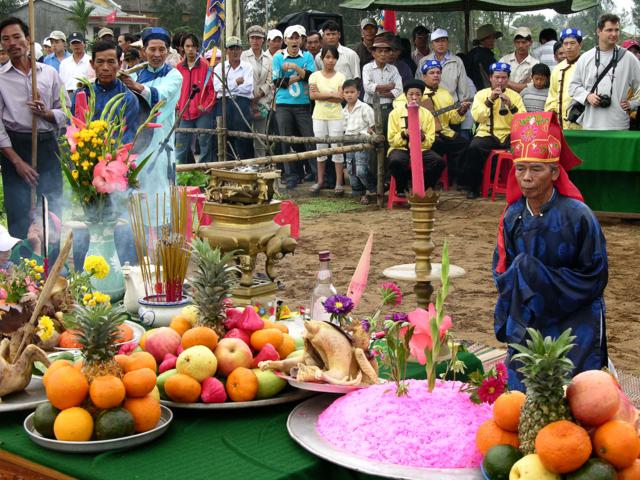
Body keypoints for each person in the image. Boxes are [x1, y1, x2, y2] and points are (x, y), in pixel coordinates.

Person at [493, 111, 608, 391]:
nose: (526, 178)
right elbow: (501, 269)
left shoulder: (579, 215)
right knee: (519, 399)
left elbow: (594, 276)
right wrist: (522, 276)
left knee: (577, 397)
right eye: (521, 169)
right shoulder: (513, 217)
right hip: (529, 313)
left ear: (555, 172)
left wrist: (535, 275)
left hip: (574, 315)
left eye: (536, 169)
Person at [0, 17, 68, 239]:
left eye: (17, 36)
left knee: (51, 207)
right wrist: (17, 162)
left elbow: (66, 110)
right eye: (5, 39)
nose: (12, 43)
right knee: (19, 211)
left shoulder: (49, 73)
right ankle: (24, 270)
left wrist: (46, 114)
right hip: (15, 148)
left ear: (28, 39)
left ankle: (52, 265)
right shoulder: (0, 79)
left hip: (48, 146)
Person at [119, 26, 183, 223]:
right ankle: (134, 240)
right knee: (135, 193)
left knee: (159, 196)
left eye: (161, 49)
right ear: (143, 51)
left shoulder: (174, 76)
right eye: (152, 49)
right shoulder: (134, 75)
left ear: (168, 51)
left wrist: (137, 87)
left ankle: (161, 240)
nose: (157, 54)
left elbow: (161, 99)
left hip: (160, 145)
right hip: (135, 146)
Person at [463, 62, 525, 199]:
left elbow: (522, 121)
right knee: (474, 148)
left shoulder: (515, 96)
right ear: (490, 78)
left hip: (510, 135)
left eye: (503, 78)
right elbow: (478, 117)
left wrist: (510, 105)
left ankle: (520, 188)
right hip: (487, 133)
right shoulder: (481, 94)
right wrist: (490, 100)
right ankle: (473, 187)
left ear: (508, 79)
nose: (500, 81)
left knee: (525, 151)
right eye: (497, 77)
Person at [569, 13, 640, 130]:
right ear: (599, 31)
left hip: (619, 125)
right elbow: (573, 87)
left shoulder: (629, 58)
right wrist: (587, 96)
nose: (614, 34)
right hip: (591, 124)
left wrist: (633, 104)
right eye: (609, 30)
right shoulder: (585, 58)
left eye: (617, 30)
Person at [272, 25, 316, 189]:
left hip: (303, 104)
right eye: (291, 37)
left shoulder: (307, 56)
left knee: (309, 139)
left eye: (297, 37)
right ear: (285, 40)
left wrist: (294, 68)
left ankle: (316, 173)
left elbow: (311, 77)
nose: (294, 40)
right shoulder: (278, 58)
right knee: (285, 140)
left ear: (301, 40)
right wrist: (300, 76)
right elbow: (278, 83)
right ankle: (290, 175)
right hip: (283, 104)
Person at [72, 40, 140, 144]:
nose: (105, 68)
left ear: (119, 64)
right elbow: (73, 128)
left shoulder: (128, 98)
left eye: (111, 62)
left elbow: (129, 139)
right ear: (92, 64)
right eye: (100, 62)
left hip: (115, 157)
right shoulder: (82, 94)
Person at [387, 79, 445, 194]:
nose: (414, 97)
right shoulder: (395, 113)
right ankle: (401, 188)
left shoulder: (427, 115)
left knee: (439, 162)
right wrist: (404, 134)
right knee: (395, 161)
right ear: (405, 95)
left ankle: (425, 188)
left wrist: (422, 136)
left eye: (418, 94)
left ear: (422, 96)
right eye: (411, 94)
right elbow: (391, 139)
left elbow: (430, 141)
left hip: (421, 149)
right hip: (401, 148)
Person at [308, 45, 346, 195]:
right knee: (321, 149)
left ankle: (338, 182)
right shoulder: (314, 76)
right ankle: (320, 180)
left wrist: (322, 94)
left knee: (337, 148)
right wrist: (331, 94)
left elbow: (340, 98)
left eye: (333, 57)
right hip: (319, 115)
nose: (330, 61)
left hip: (336, 116)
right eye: (328, 57)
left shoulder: (341, 77)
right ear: (322, 58)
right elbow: (313, 96)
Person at [175, 33, 215, 164]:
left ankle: (204, 178)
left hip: (202, 113)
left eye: (193, 46)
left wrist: (206, 106)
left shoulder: (205, 66)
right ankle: (179, 178)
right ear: (182, 48)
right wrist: (177, 104)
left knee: (205, 146)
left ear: (197, 48)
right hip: (184, 113)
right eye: (187, 46)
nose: (190, 49)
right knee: (180, 146)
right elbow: (175, 89)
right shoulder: (179, 67)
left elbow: (212, 90)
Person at [213, 36, 254, 160]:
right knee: (224, 136)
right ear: (226, 51)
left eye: (237, 48)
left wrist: (228, 87)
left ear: (241, 50)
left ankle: (247, 165)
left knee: (244, 136)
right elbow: (218, 88)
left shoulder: (247, 67)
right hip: (224, 103)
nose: (234, 52)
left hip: (242, 103)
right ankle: (227, 166)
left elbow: (248, 88)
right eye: (231, 49)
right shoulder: (219, 68)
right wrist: (236, 83)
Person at [242, 25, 275, 157]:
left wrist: (259, 95)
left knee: (260, 136)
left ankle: (260, 163)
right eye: (252, 38)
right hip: (245, 101)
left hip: (262, 101)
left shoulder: (269, 59)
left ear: (263, 40)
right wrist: (251, 97)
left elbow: (270, 80)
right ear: (249, 40)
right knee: (244, 135)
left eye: (258, 38)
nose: (255, 41)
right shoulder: (243, 56)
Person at [342, 78, 376, 204]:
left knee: (361, 169)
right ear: (343, 94)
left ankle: (373, 189)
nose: (349, 95)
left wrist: (366, 134)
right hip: (348, 142)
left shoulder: (364, 108)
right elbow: (343, 128)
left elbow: (373, 125)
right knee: (351, 169)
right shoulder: (343, 111)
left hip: (362, 142)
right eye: (346, 92)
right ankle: (360, 194)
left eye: (352, 92)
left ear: (358, 93)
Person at [362, 35, 402, 140]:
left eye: (386, 51)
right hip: (370, 108)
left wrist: (378, 91)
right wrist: (388, 87)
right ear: (373, 53)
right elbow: (368, 88)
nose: (383, 54)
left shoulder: (393, 69)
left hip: (387, 109)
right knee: (371, 139)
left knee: (386, 138)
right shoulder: (367, 68)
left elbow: (399, 90)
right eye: (380, 51)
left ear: (390, 53)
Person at [418, 29, 471, 104]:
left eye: (443, 40)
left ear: (447, 42)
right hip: (429, 107)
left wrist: (463, 106)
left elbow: (463, 87)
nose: (440, 44)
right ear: (432, 44)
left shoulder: (457, 61)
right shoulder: (423, 62)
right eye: (437, 41)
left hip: (451, 106)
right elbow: (418, 85)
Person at [545, 28, 583, 129]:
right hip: (559, 124)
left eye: (572, 43)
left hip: (581, 123)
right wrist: (551, 109)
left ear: (580, 45)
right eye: (565, 44)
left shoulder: (586, 66)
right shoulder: (557, 69)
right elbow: (552, 94)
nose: (569, 47)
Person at [499, 27, 539, 93]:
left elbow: (532, 88)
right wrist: (523, 84)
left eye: (524, 42)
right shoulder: (504, 60)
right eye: (518, 42)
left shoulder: (535, 64)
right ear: (514, 43)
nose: (520, 45)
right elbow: (498, 83)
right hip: (504, 99)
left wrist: (507, 81)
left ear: (530, 43)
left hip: (525, 101)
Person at [465, 24, 501, 91]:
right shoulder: (485, 56)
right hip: (486, 92)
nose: (493, 40)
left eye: (493, 38)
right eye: (489, 38)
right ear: (482, 41)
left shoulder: (472, 53)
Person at [59, 32, 94, 98]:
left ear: (84, 44)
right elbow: (61, 83)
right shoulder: (64, 63)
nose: (76, 45)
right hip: (67, 96)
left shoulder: (91, 61)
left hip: (85, 95)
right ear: (70, 46)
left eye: (78, 43)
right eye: (73, 43)